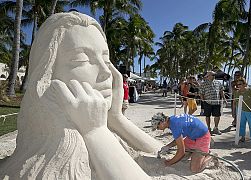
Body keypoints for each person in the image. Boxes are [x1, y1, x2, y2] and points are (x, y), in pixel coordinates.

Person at [0, 12, 162, 180]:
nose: (106, 72)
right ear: (46, 75)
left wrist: (115, 119)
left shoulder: (106, 131)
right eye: (81, 59)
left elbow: (163, 153)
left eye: (106, 60)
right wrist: (95, 132)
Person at [233, 78, 251, 147]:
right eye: (237, 84)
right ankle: (242, 137)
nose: (238, 86)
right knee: (241, 124)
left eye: (240, 84)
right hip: (240, 111)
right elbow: (234, 102)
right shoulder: (237, 92)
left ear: (244, 84)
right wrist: (234, 112)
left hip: (250, 111)